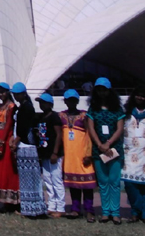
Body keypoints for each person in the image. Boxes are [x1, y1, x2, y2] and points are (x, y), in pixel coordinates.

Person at [86, 77, 125, 225]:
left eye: (104, 90)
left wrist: (108, 143)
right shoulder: (93, 109)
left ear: (110, 91)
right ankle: (105, 212)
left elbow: (120, 129)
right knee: (103, 182)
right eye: (99, 90)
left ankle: (115, 213)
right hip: (98, 151)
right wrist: (100, 145)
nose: (101, 93)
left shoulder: (117, 109)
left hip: (114, 150)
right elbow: (91, 128)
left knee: (114, 181)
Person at [121, 86, 145, 225]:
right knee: (129, 184)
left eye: (143, 96)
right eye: (138, 95)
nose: (140, 98)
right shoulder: (126, 112)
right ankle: (136, 211)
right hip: (129, 153)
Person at [58, 89, 96, 222]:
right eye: (69, 100)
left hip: (83, 155)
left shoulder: (84, 116)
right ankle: (75, 209)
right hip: (69, 156)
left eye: (74, 100)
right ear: (65, 101)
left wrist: (88, 153)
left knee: (87, 185)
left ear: (77, 101)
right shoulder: (61, 116)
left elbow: (89, 134)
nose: (71, 103)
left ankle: (89, 210)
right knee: (73, 185)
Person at [10, 82, 46, 218]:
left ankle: (33, 208)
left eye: (18, 94)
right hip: (23, 145)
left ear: (23, 94)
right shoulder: (22, 107)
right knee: (27, 179)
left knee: (30, 178)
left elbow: (23, 128)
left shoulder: (27, 108)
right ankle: (29, 207)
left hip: (26, 145)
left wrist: (15, 142)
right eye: (14, 94)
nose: (16, 96)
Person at [0, 82, 19, 213]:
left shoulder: (12, 107)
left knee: (9, 171)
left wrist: (2, 141)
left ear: (8, 92)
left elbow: (9, 124)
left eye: (2, 92)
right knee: (0, 171)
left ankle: (13, 202)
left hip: (7, 140)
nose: (1, 94)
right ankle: (5, 202)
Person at [35, 93, 64, 218]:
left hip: (53, 153)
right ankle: (52, 205)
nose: (41, 105)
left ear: (50, 104)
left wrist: (55, 152)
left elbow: (59, 134)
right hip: (45, 152)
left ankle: (60, 207)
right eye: (40, 103)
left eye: (44, 103)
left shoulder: (54, 116)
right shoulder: (41, 117)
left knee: (56, 180)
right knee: (47, 179)